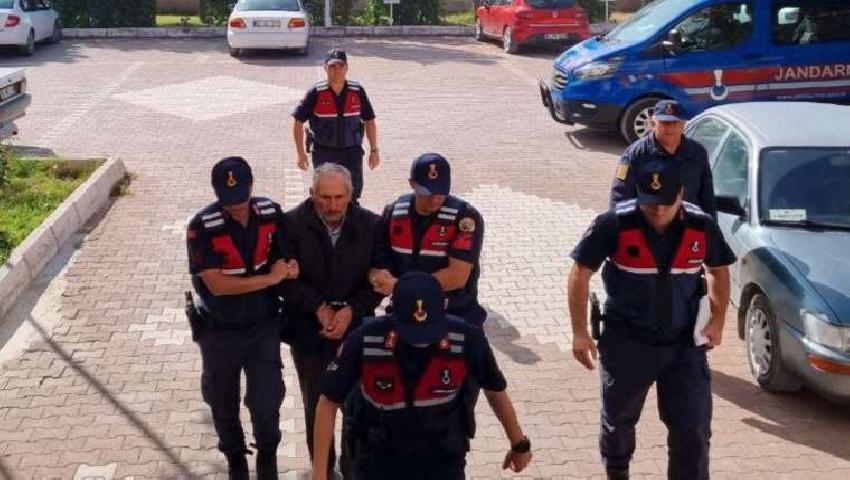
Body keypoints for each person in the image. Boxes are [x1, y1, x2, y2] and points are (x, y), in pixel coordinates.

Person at [568, 161, 736, 480]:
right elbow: (580, 272)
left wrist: (718, 320)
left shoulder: (701, 225)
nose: (658, 210)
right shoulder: (613, 224)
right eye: (651, 203)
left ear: (681, 194)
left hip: (684, 347)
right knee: (618, 423)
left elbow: (718, 270)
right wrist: (579, 332)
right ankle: (617, 471)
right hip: (627, 344)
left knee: (693, 429)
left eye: (666, 202)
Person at [311, 272, 532, 480]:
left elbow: (495, 389)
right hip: (377, 460)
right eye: (411, 333)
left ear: (444, 308)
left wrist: (519, 444)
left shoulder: (467, 339)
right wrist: (319, 475)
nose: (420, 341)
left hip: (442, 459)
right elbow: (328, 402)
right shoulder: (364, 340)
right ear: (391, 312)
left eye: (428, 332)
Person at [186, 156, 300, 479]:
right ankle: (235, 459)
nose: (236, 207)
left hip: (263, 327)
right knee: (222, 401)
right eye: (228, 200)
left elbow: (285, 252)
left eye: (241, 199)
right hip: (219, 331)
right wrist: (270, 279)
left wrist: (289, 266)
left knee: (267, 400)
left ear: (251, 186)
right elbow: (217, 285)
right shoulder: (202, 226)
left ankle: (267, 457)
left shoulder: (270, 213)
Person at [279, 163, 384, 476]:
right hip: (309, 333)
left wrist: (352, 310)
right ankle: (323, 470)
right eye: (325, 197)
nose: (333, 205)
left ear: (350, 195)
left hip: (356, 331)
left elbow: (379, 282)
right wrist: (318, 307)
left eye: (339, 197)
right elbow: (283, 279)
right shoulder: (290, 224)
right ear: (312, 194)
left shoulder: (372, 225)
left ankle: (353, 471)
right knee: (316, 405)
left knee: (357, 408)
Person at [369, 153, 486, 327]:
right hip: (405, 309)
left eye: (441, 191)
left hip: (453, 311)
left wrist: (402, 287)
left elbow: (457, 276)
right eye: (426, 192)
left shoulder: (465, 218)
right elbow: (379, 261)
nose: (435, 198)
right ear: (412, 183)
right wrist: (376, 275)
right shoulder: (393, 213)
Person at [292, 49, 380, 200]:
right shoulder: (315, 92)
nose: (337, 69)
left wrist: (374, 150)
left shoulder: (357, 91)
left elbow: (369, 121)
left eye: (341, 65)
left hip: (352, 153)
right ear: (325, 68)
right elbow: (298, 121)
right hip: (324, 152)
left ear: (347, 68)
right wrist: (300, 154)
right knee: (324, 194)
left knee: (352, 194)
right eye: (332, 66)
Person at [610, 99, 717, 218]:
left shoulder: (697, 153)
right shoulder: (635, 155)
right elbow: (620, 198)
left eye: (675, 122)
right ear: (653, 124)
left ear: (683, 124)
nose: (670, 128)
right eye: (664, 122)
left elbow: (707, 197)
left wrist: (710, 226)